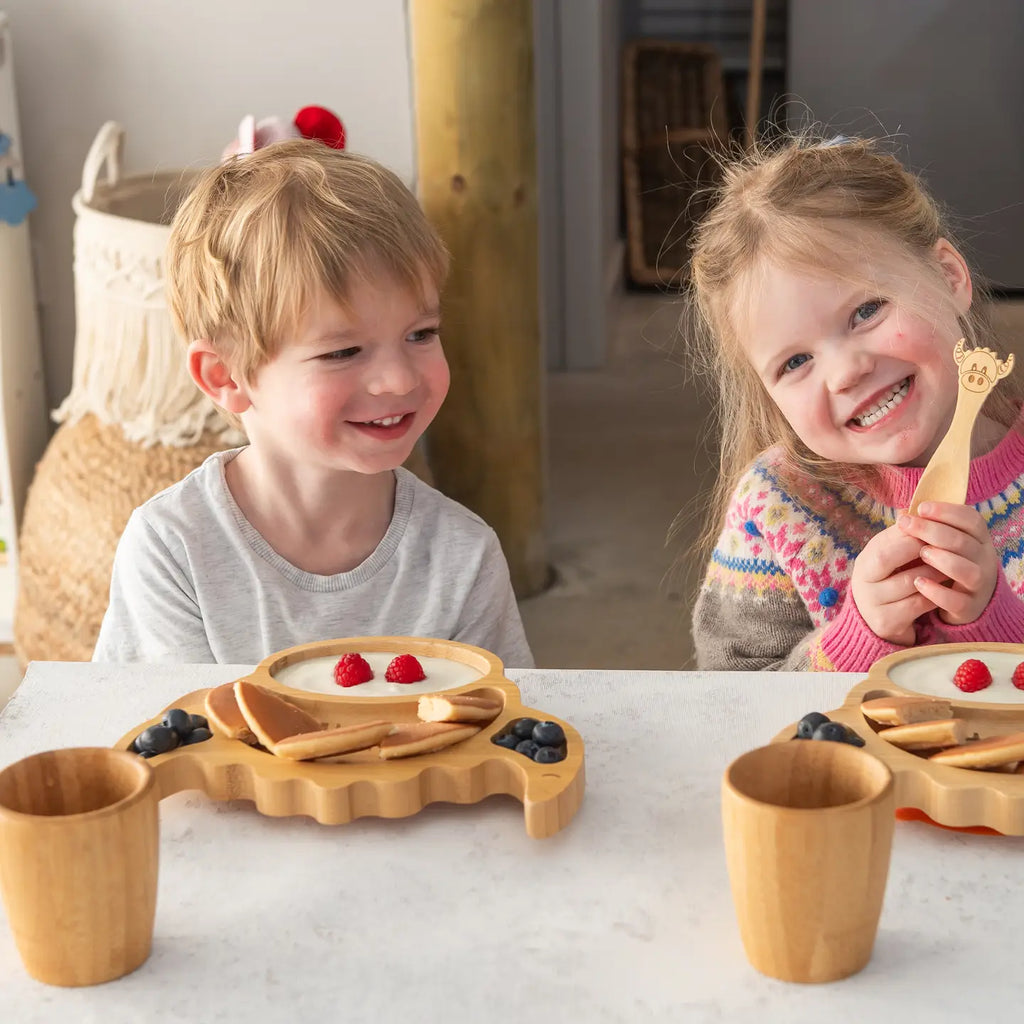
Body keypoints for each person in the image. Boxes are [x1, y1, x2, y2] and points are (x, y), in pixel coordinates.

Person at [93, 139, 533, 667]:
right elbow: (172, 741)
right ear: (225, 377)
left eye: (421, 333)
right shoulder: (171, 550)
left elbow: (497, 730)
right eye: (343, 351)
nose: (396, 378)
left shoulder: (465, 556)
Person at [687, 133, 1024, 671]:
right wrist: (855, 641)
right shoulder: (778, 508)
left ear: (949, 276)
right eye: (795, 362)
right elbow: (730, 702)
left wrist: (996, 623)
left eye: (866, 311)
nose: (846, 373)